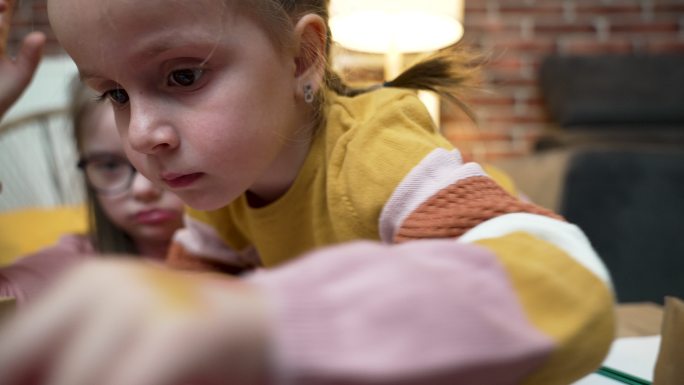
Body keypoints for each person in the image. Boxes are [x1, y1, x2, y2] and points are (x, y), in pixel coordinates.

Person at [0, 1, 615, 384]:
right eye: (116, 94)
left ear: (302, 56)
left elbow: (569, 277)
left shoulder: (375, 152)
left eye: (183, 75)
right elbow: (195, 296)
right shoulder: (225, 187)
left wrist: (268, 320)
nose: (143, 134)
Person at [0, 77, 186, 305]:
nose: (142, 189)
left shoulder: (241, 255)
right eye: (110, 165)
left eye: (165, 155)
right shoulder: (73, 269)